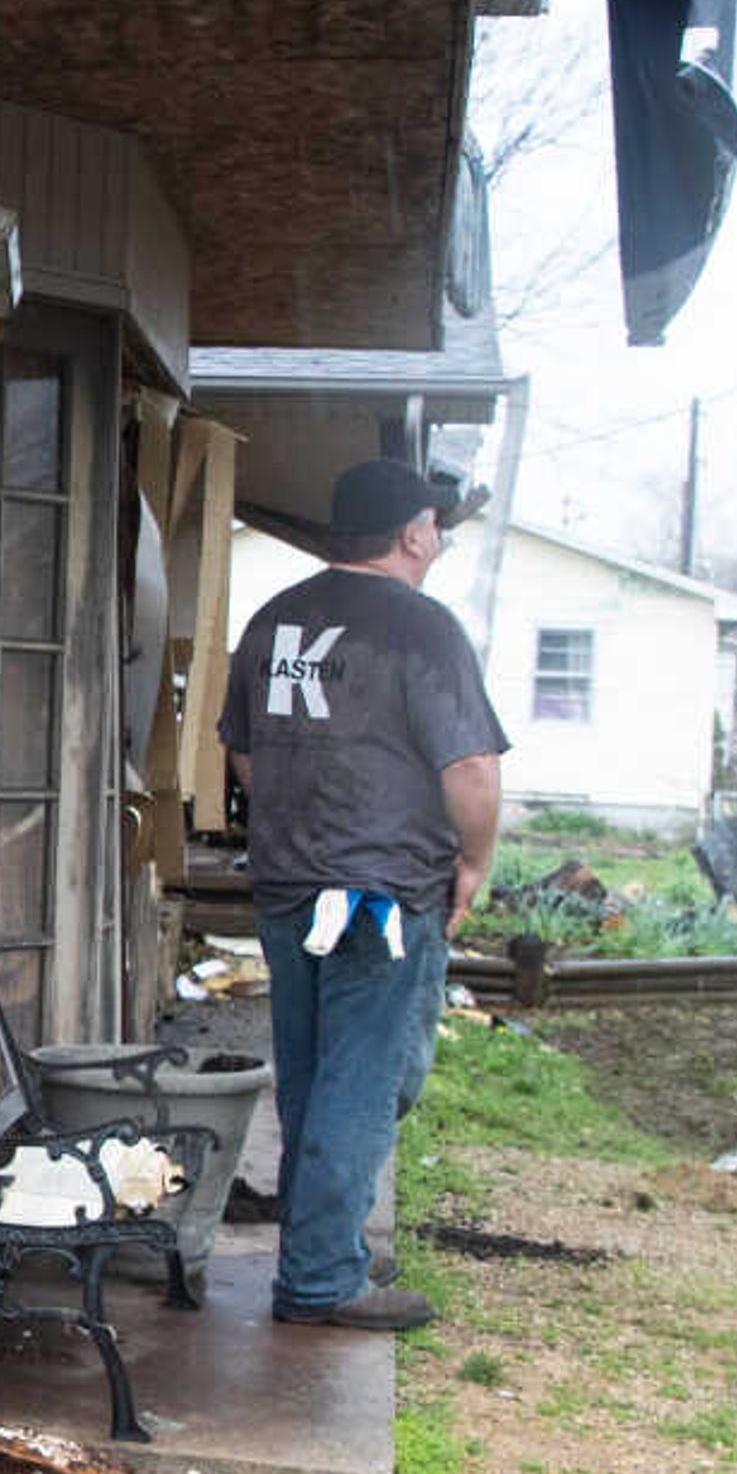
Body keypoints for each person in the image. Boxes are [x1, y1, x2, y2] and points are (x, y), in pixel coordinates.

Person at [215, 456, 508, 1335]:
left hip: (288, 885)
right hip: (382, 895)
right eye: (437, 525)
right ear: (412, 532)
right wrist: (474, 861)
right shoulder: (422, 630)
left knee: (313, 1072)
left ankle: (323, 1243)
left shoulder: (274, 619)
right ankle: (319, 1278)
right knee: (367, 1077)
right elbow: (472, 769)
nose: (441, 539)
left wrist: (302, 821)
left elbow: (246, 754)